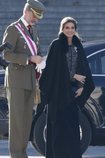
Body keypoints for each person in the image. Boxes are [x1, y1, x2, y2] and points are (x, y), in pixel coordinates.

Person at [39, 17, 95, 158]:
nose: (70, 30)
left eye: (72, 27)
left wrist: (82, 86)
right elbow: (53, 70)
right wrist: (73, 75)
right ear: (62, 29)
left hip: (72, 96)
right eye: (67, 27)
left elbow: (84, 68)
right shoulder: (56, 45)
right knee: (58, 131)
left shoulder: (78, 45)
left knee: (71, 131)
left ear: (75, 29)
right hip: (58, 96)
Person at [2, 0, 46, 158]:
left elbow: (36, 51)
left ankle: (22, 153)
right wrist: (29, 59)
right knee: (17, 122)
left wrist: (39, 60)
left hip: (30, 81)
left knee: (26, 121)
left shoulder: (33, 30)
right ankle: (16, 155)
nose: (36, 19)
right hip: (16, 81)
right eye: (35, 16)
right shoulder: (13, 29)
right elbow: (6, 54)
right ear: (27, 11)